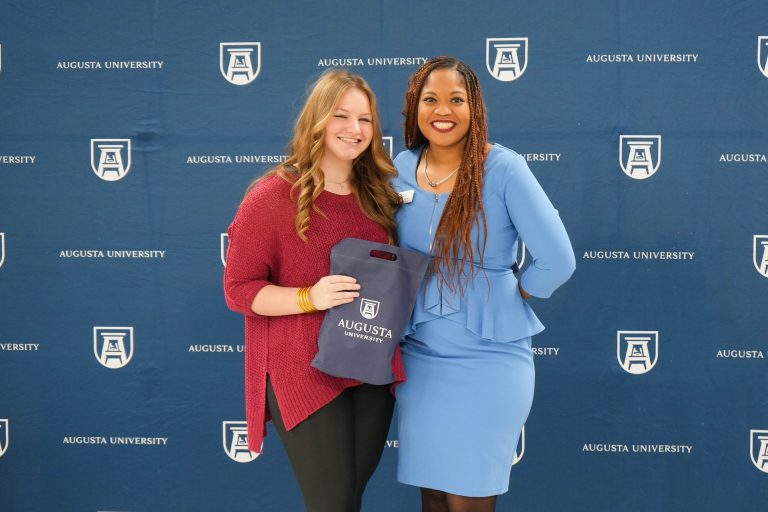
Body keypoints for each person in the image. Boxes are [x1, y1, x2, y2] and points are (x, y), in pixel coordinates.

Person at [391, 56, 576, 512]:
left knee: (468, 498)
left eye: (457, 99)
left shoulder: (505, 168)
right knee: (433, 496)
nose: (443, 110)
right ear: (415, 107)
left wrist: (510, 295)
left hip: (489, 365)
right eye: (430, 99)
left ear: (475, 107)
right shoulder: (399, 165)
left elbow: (558, 260)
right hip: (419, 363)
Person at [223, 69, 404, 512]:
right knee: (334, 504)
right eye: (341, 116)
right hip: (301, 368)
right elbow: (238, 289)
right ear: (317, 121)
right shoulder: (270, 196)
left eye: (365, 120)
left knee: (348, 500)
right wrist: (310, 297)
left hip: (369, 367)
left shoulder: (380, 196)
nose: (355, 129)